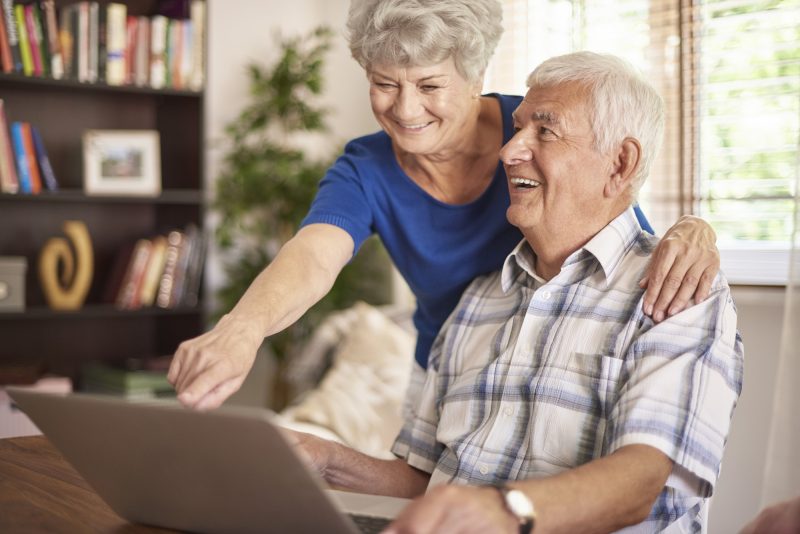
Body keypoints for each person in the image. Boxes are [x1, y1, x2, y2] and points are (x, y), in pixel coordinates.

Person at [168, 0, 720, 411]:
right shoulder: (367, 167)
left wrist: (695, 227)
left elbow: (617, 216)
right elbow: (313, 256)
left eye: (430, 85)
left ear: (477, 77)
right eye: (385, 84)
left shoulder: (531, 136)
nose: (405, 109)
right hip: (446, 374)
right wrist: (241, 329)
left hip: (552, 371)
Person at [288, 51, 744, 533]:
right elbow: (427, 481)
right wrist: (327, 461)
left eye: (544, 132)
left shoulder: (680, 293)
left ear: (620, 163)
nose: (509, 151)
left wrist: (503, 510)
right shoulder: (479, 300)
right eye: (517, 128)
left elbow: (642, 483)